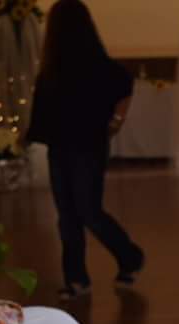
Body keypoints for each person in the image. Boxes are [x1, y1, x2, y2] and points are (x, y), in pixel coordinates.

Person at [27, 0, 144, 301]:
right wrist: (115, 121)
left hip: (85, 147)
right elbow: (123, 84)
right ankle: (77, 278)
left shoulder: (85, 67)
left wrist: (116, 121)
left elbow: (123, 83)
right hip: (68, 146)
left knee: (87, 211)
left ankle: (128, 256)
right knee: (68, 214)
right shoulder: (58, 68)